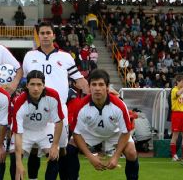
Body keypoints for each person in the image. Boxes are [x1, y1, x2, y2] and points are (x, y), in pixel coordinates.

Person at [22, 22, 89, 180]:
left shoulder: (65, 57)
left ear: (53, 35)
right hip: (35, 108)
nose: (45, 36)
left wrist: (103, 90)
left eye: (48, 33)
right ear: (38, 36)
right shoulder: (30, 56)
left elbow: (79, 80)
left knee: (59, 148)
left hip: (58, 110)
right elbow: (26, 80)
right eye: (42, 33)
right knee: (34, 147)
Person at [72, 69, 139, 179]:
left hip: (115, 133)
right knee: (70, 148)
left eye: (101, 84)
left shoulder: (119, 105)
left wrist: (116, 156)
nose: (97, 88)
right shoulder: (81, 106)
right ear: (89, 87)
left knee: (131, 152)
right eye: (94, 84)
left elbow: (126, 132)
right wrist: (90, 156)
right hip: (90, 133)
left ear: (107, 87)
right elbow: (76, 133)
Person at [13, 70, 64, 180]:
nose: (36, 88)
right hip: (25, 131)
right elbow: (17, 133)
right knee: (15, 161)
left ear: (44, 85)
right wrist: (18, 163)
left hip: (44, 128)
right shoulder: (20, 102)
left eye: (39, 84)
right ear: (27, 85)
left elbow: (59, 121)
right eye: (32, 84)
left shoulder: (53, 95)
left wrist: (55, 145)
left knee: (54, 156)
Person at [170, 74, 183, 161]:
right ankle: (174, 155)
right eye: (182, 81)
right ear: (178, 81)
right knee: (175, 135)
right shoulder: (174, 90)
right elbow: (178, 94)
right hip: (176, 114)